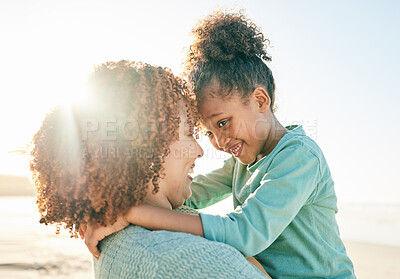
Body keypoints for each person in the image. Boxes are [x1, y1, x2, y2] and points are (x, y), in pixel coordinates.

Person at [83, 12, 356, 279]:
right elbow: (187, 195)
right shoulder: (242, 163)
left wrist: (132, 212)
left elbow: (245, 233)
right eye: (208, 132)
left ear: (260, 101)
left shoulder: (300, 157)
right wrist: (114, 205)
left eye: (223, 123)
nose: (219, 142)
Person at [29, 60, 268, 278]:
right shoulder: (181, 259)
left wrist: (124, 209)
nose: (199, 150)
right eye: (188, 134)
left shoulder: (118, 235)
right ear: (147, 146)